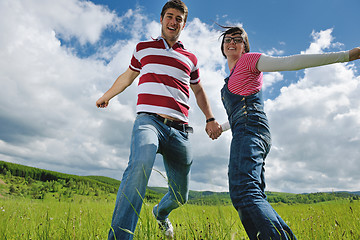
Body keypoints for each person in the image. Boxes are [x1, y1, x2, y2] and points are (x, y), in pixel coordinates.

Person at [215, 25, 360, 240]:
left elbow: (290, 62)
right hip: (245, 129)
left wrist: (345, 56)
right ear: (222, 46)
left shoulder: (249, 60)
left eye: (238, 39)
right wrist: (222, 127)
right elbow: (239, 109)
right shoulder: (231, 79)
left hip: (250, 128)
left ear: (245, 47)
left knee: (244, 191)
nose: (231, 42)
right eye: (228, 39)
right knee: (249, 193)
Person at [96, 1, 222, 239]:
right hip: (148, 122)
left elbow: (198, 91)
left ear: (184, 24)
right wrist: (107, 95)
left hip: (180, 131)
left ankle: (160, 214)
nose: (173, 22)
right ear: (162, 18)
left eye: (179, 19)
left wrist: (210, 118)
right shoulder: (143, 48)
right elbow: (128, 76)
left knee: (180, 195)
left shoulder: (190, 58)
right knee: (140, 165)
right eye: (170, 16)